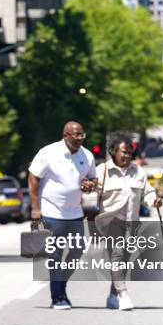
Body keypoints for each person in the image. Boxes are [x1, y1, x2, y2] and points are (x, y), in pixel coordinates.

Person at [28, 121, 97, 310]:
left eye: (82, 135)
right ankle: (57, 296)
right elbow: (33, 178)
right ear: (65, 135)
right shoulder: (48, 152)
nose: (79, 139)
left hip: (75, 213)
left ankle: (61, 285)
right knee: (55, 256)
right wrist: (35, 208)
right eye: (76, 135)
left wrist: (90, 185)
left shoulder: (87, 155)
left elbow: (93, 178)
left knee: (76, 252)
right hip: (52, 212)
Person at [95, 132, 162, 311]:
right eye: (123, 152)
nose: (126, 156)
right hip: (111, 221)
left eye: (129, 153)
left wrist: (154, 200)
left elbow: (147, 191)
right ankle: (123, 295)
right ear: (113, 152)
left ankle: (112, 296)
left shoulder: (137, 171)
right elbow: (88, 190)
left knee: (124, 260)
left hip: (131, 223)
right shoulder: (103, 171)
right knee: (117, 257)